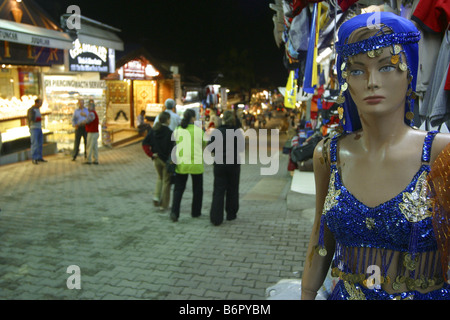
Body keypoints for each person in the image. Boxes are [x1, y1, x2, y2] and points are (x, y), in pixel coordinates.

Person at [301, 12, 450, 300]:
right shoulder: (329, 155)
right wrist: (307, 293)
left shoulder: (441, 154)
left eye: (387, 66)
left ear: (410, 73)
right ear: (345, 80)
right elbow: (319, 239)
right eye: (357, 70)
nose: (371, 81)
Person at [207, 110, 244, 226]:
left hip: (219, 164)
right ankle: (231, 214)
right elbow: (242, 148)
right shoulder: (237, 132)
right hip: (233, 164)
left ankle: (216, 218)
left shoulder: (217, 132)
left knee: (218, 190)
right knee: (233, 189)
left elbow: (209, 148)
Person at [170, 108, 205, 222]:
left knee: (178, 189)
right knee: (197, 190)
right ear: (193, 118)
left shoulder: (177, 130)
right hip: (196, 164)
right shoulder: (199, 131)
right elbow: (204, 143)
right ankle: (196, 212)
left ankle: (175, 212)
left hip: (182, 164)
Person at [148, 111, 175, 211]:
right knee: (166, 182)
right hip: (166, 160)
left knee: (160, 178)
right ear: (167, 120)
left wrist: (151, 154)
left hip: (156, 159)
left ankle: (156, 196)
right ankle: (164, 205)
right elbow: (173, 148)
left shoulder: (154, 130)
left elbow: (145, 143)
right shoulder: (169, 132)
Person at [27, 98, 47, 164]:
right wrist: (39, 119)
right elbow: (31, 119)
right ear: (36, 103)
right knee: (35, 143)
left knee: (40, 143)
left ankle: (39, 157)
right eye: (40, 103)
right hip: (34, 128)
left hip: (39, 128)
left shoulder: (38, 109)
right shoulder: (31, 110)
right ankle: (34, 158)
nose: (41, 105)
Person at [83, 99, 99, 165]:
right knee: (95, 147)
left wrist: (83, 121)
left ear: (92, 107)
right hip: (95, 132)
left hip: (92, 132)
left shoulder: (92, 113)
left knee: (89, 146)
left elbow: (88, 121)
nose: (88, 108)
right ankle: (95, 159)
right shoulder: (94, 113)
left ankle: (88, 159)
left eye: (89, 107)